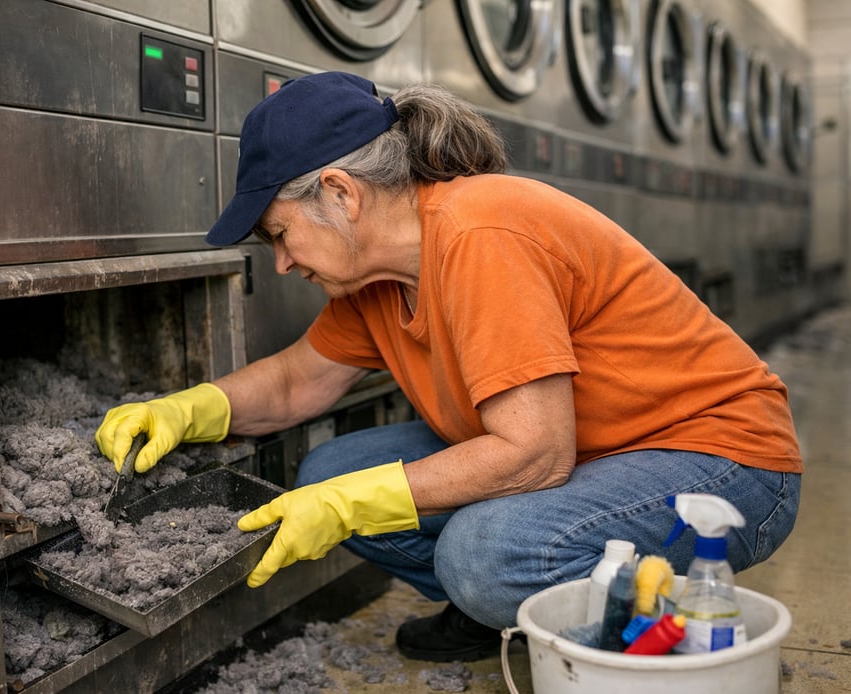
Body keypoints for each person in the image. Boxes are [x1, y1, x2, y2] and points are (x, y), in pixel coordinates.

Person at [95, 71, 802, 662]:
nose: (282, 262)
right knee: (328, 475)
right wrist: (186, 410)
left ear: (341, 194)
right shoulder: (376, 278)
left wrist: (351, 507)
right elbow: (293, 383)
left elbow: (536, 454)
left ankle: (589, 638)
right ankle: (502, 610)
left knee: (481, 553)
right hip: (597, 451)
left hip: (720, 462)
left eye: (280, 234)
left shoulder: (477, 232)